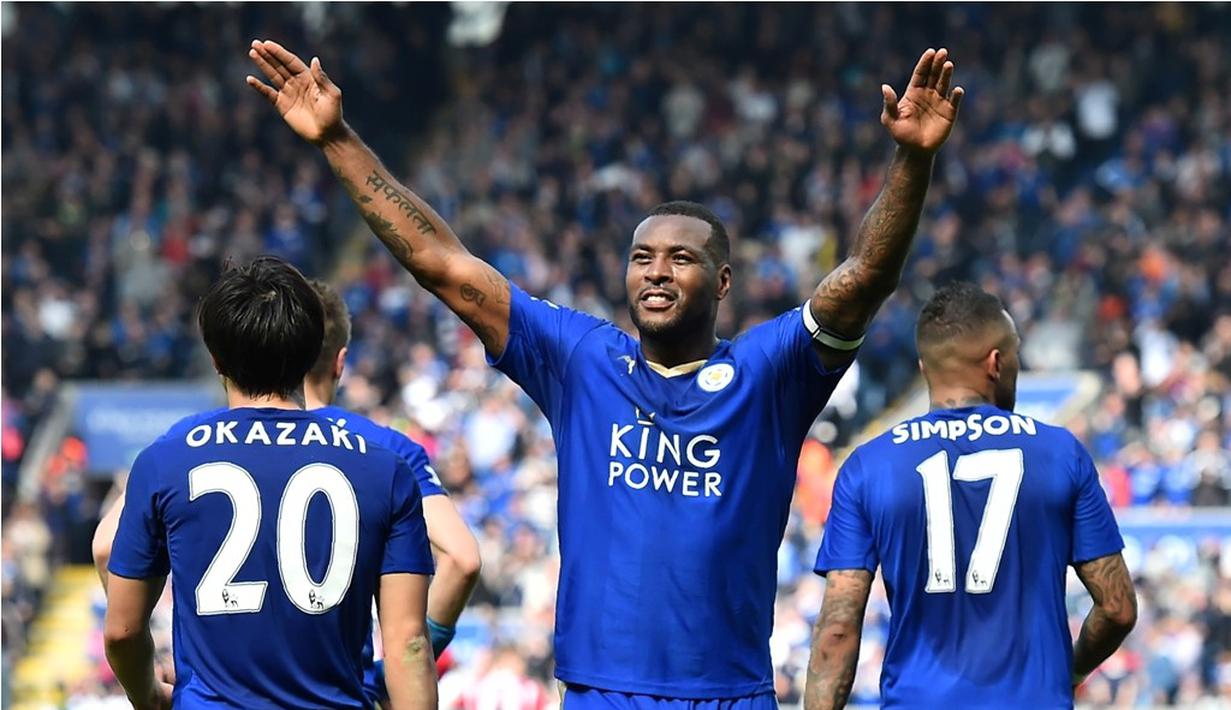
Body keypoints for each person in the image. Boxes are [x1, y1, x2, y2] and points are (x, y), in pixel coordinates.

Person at [247, 39, 963, 706]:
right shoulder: (582, 361)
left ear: (720, 282)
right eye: (641, 256)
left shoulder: (769, 374)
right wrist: (339, 141)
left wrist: (912, 162)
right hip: (598, 690)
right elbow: (443, 265)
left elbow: (866, 275)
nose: (655, 272)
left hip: (728, 691)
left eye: (679, 258)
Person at [93, 278, 480, 705]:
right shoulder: (385, 465)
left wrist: (150, 695)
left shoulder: (169, 456)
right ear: (319, 355)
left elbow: (119, 621)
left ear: (217, 361)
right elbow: (409, 640)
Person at [806, 282, 1138, 708]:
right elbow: (1117, 608)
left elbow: (837, 630)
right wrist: (1069, 672)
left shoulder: (868, 466)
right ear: (997, 362)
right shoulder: (1059, 452)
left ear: (926, 368)